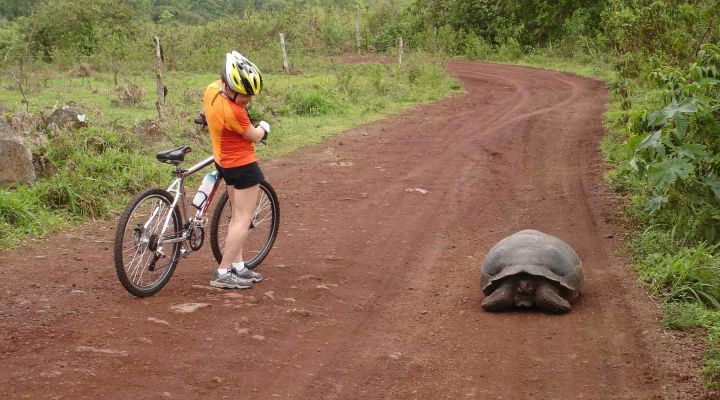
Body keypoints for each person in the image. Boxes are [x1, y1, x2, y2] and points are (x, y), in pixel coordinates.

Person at [203, 51, 270, 289]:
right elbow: (253, 136)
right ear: (231, 87)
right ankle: (222, 272)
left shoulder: (212, 90)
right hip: (242, 166)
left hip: (224, 164)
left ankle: (238, 266)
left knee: (236, 217)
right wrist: (263, 126)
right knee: (243, 218)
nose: (248, 100)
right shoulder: (236, 112)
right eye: (245, 95)